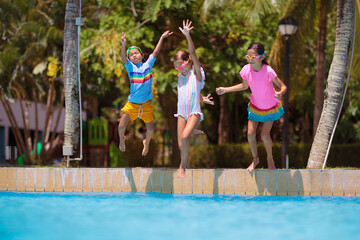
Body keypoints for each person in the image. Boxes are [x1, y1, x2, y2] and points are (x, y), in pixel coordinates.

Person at [216, 42, 287, 172]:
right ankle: (255, 159)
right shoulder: (246, 70)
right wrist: (225, 90)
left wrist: (280, 93)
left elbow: (283, 86)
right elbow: (244, 86)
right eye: (247, 57)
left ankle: (270, 159)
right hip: (255, 106)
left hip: (270, 107)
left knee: (265, 136)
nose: (250, 60)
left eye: (253, 57)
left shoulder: (268, 71)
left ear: (261, 57)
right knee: (250, 134)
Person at [119, 30, 172, 156]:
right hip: (132, 104)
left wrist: (162, 37)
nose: (134, 55)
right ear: (129, 59)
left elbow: (156, 52)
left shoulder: (148, 64)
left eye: (136, 53)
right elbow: (122, 58)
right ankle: (122, 140)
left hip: (146, 106)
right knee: (121, 127)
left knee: (150, 130)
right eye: (131, 55)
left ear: (142, 55)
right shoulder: (130, 67)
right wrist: (123, 45)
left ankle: (146, 143)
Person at [174, 20, 214, 178]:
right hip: (181, 112)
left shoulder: (196, 73)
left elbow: (193, 52)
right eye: (175, 66)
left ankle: (182, 167)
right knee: (179, 144)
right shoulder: (180, 77)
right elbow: (188, 93)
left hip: (193, 112)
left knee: (184, 137)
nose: (178, 69)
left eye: (180, 65)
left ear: (188, 62)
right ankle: (191, 132)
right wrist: (203, 97)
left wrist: (187, 35)